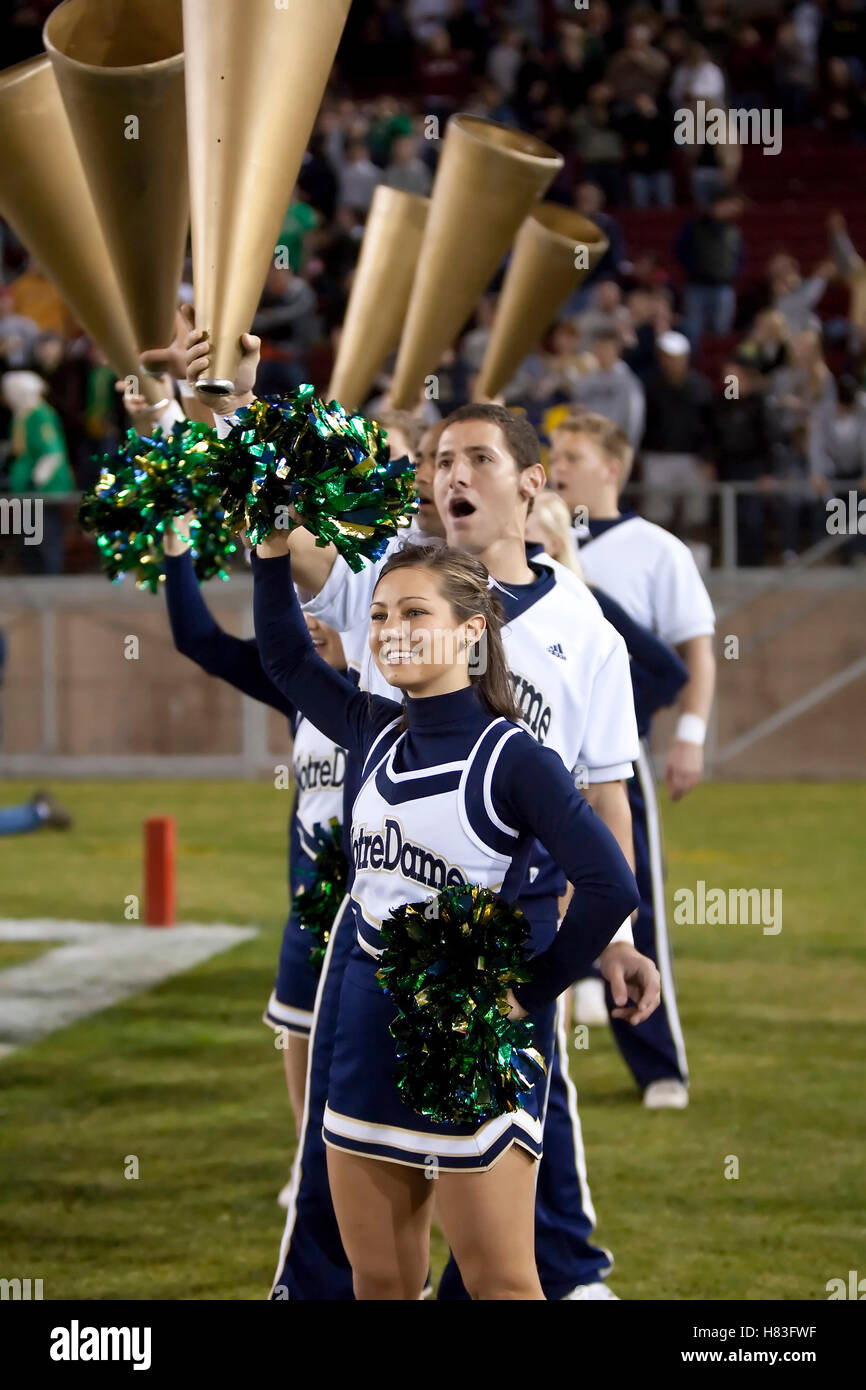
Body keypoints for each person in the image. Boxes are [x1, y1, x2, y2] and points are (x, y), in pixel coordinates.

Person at [183, 328, 656, 1301]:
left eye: (477, 457)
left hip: (520, 920)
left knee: (520, 1146)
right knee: (361, 1203)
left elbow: (604, 791)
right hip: (377, 943)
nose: (450, 472)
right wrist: (222, 405)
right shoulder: (393, 574)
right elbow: (289, 557)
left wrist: (609, 941)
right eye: (440, 459)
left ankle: (562, 1270)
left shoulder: (582, 625)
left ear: (532, 485)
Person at [252, 536, 651, 1299]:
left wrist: (527, 996)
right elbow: (284, 659)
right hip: (368, 1026)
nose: (390, 629)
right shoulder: (376, 732)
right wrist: (270, 551)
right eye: (378, 614)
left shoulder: (512, 756)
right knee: (381, 1283)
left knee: (503, 1283)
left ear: (470, 632)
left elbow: (608, 886)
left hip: (469, 1043)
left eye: (413, 611)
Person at [549, 412, 716, 1106]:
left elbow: (691, 653)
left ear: (611, 468)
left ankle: (659, 1066)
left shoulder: (656, 549)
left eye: (575, 456)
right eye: (553, 454)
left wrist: (691, 737)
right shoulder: (523, 542)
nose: (559, 468)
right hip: (535, 755)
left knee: (628, 895)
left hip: (614, 752)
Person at [639, 331, 714, 531]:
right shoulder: (649, 386)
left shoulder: (701, 387)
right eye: (666, 357)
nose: (670, 362)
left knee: (696, 515)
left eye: (675, 358)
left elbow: (710, 425)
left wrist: (708, 458)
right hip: (658, 457)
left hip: (694, 459)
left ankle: (699, 559)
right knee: (657, 515)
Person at [2, 369, 74, 575]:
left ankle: (49, 581)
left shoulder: (41, 415)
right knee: (27, 539)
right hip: (23, 488)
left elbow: (52, 453)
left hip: (42, 489)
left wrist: (36, 479)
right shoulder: (21, 415)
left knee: (44, 536)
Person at [675, 189, 744, 341]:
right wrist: (694, 268)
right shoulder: (694, 227)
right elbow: (680, 250)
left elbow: (739, 257)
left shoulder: (733, 230)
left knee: (722, 331)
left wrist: (732, 273)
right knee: (694, 331)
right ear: (716, 204)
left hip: (723, 286)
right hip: (697, 286)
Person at [571, 328, 646, 449]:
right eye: (598, 348)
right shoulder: (587, 380)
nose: (602, 352)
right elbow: (575, 407)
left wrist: (628, 448)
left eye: (606, 348)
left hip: (615, 445)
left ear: (617, 350)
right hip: (589, 446)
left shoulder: (628, 381)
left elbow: (634, 419)